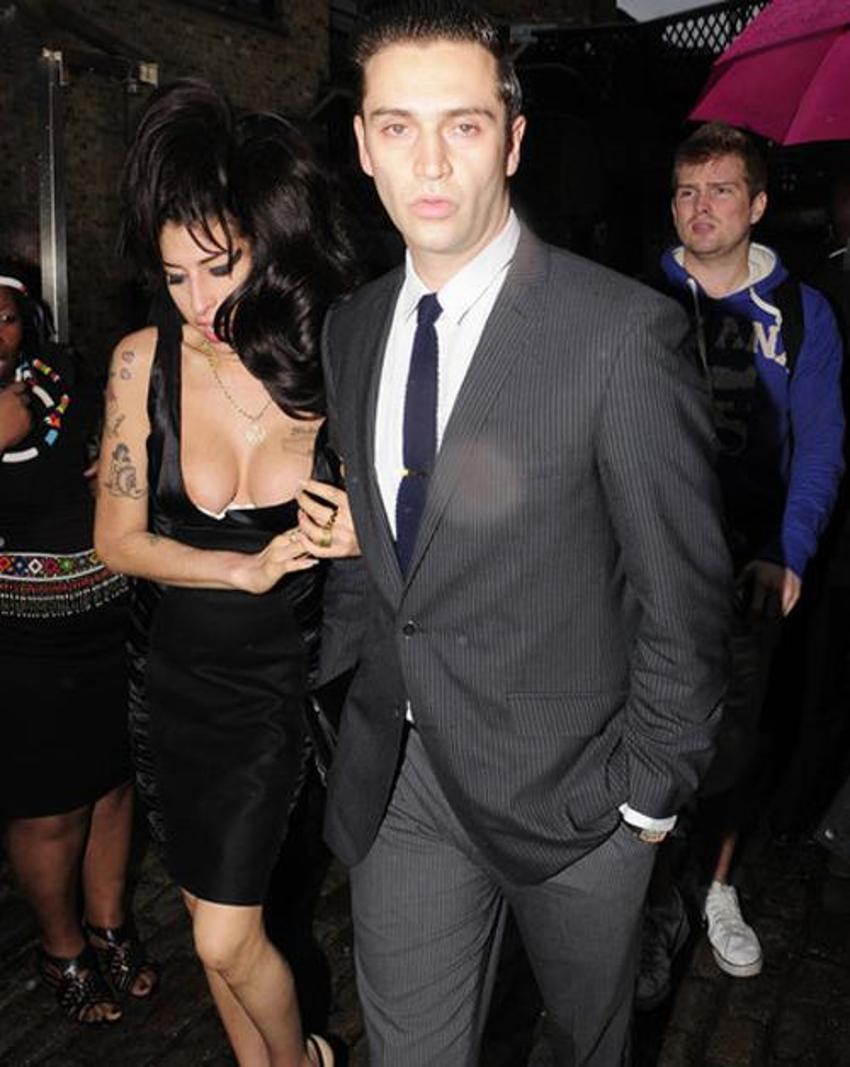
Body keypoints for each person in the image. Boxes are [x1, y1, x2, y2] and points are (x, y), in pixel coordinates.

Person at [314, 4, 731, 1064]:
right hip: (402, 777)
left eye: (462, 124)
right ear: (362, 145)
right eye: (398, 127)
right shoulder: (351, 328)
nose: (429, 161)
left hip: (577, 793)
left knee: (587, 1044)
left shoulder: (619, 334)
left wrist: (643, 800)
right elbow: (391, 556)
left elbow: (683, 598)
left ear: (512, 139)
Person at [94, 81, 357, 1067]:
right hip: (167, 689)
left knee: (221, 935)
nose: (199, 304)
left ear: (268, 245)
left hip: (273, 695)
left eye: (219, 267)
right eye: (175, 277)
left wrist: (362, 536)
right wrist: (238, 569)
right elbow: (118, 539)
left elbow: (434, 509)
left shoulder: (333, 362)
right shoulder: (140, 364)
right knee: (210, 914)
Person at [658, 122, 844, 979]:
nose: (701, 208)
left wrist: (789, 550)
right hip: (647, 560)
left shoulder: (804, 314)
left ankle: (717, 885)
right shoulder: (639, 298)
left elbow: (821, 443)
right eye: (687, 192)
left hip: (750, 565)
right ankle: (644, 888)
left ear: (759, 204)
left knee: (736, 738)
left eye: (722, 190)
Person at [0, 263, 157, 1025]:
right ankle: (60, 946)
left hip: (107, 618)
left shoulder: (62, 373)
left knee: (112, 786)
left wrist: (110, 467)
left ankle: (109, 925)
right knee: (48, 808)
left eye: (3, 317)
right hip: (22, 642)